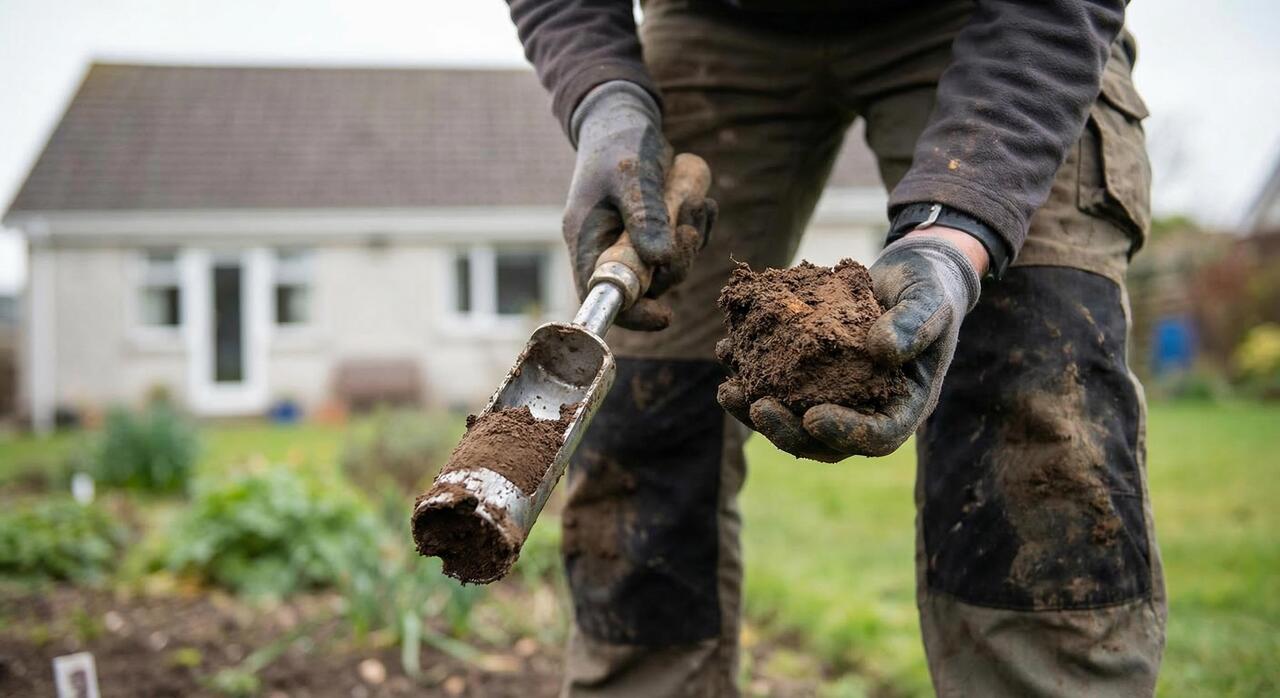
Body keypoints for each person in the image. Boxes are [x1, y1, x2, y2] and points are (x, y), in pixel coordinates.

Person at [505, 0, 1165, 695]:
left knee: (1032, 384)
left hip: (997, 25)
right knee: (646, 420)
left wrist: (958, 233)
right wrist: (604, 95)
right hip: (712, 18)